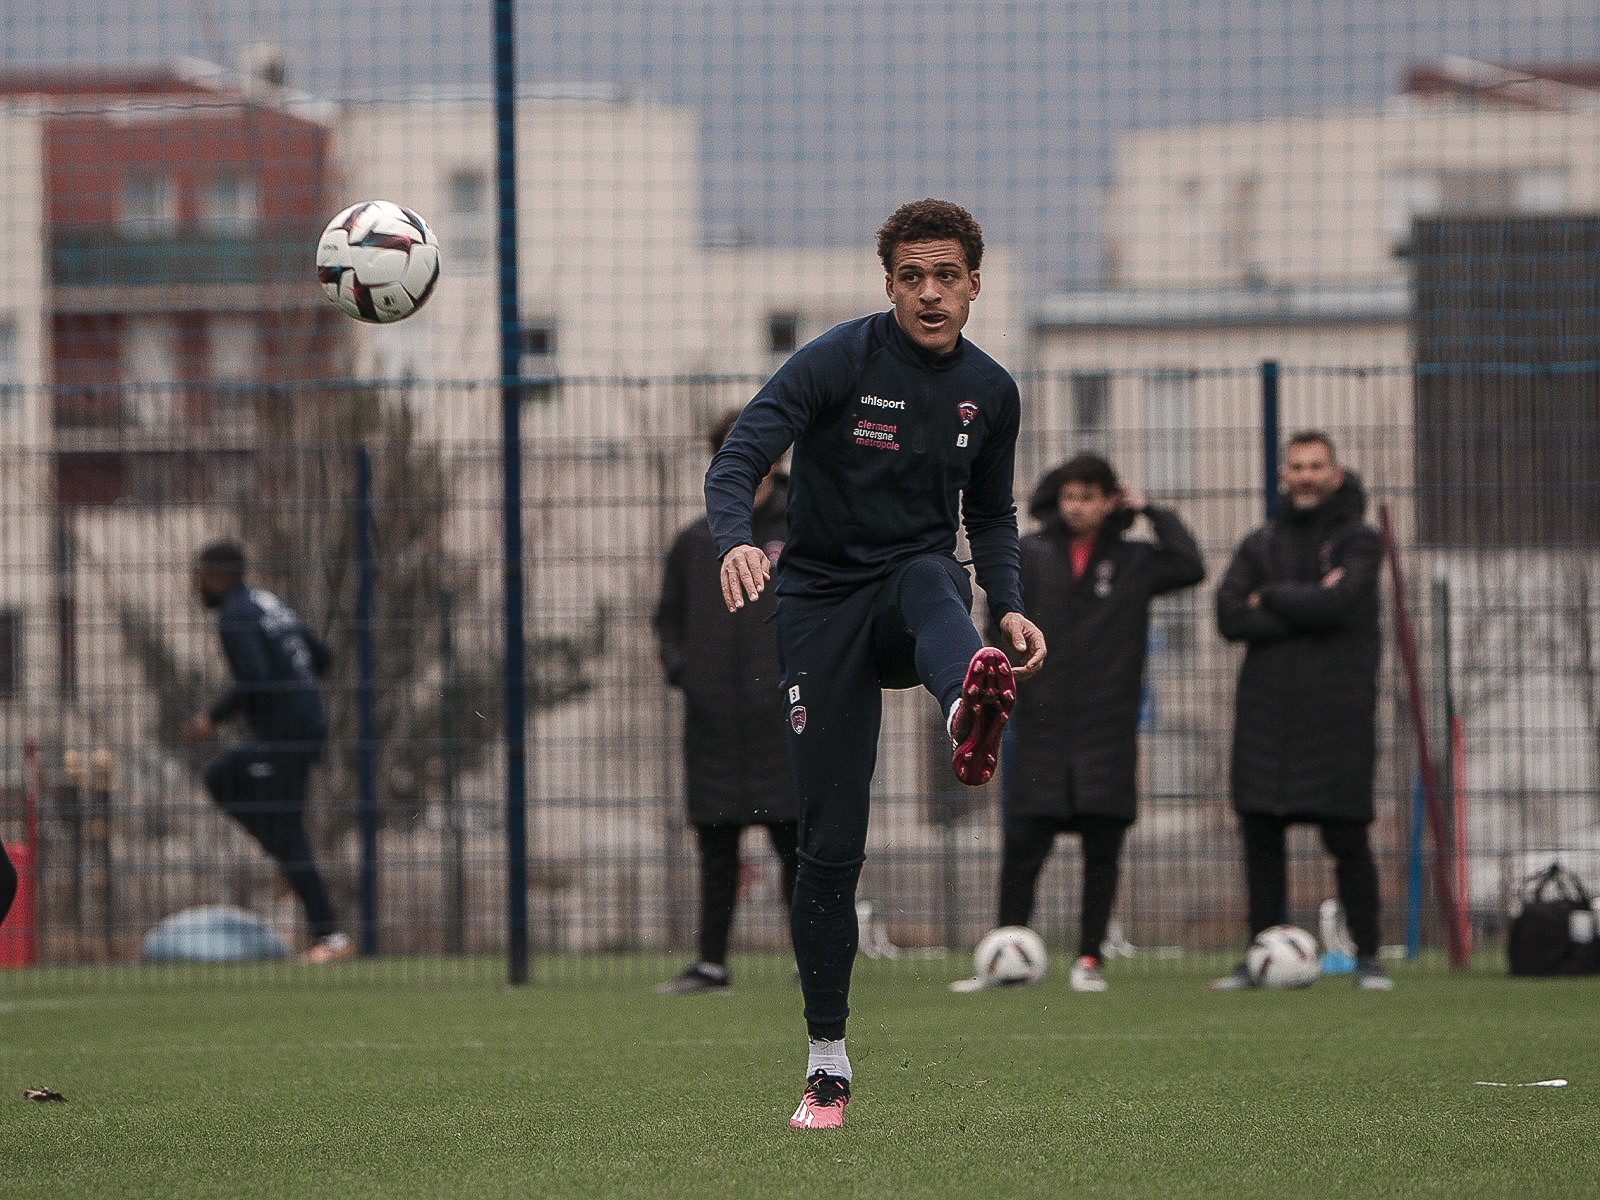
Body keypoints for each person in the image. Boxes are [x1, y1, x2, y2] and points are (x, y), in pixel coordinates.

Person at [706, 198, 1047, 1129]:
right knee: (830, 844)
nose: (929, 293)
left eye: (946, 276)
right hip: (820, 611)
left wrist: (1011, 603)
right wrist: (736, 540)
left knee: (937, 573)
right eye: (911, 277)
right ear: (888, 284)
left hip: (912, 600)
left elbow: (994, 517)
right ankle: (828, 1064)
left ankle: (963, 703)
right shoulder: (836, 362)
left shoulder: (993, 392)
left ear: (975, 283)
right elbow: (737, 460)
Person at [966, 453, 1203, 995]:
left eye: (1091, 497)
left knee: (1103, 849)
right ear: (1057, 498)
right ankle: (1005, 960)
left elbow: (1190, 564)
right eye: (1071, 496)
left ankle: (1090, 958)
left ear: (1109, 502)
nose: (1079, 506)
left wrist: (1150, 510)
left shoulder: (1136, 559)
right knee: (1022, 848)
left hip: (1108, 727)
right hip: (1039, 724)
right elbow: (996, 619)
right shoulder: (1030, 553)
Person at [1211, 432, 1394, 992]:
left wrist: (1272, 597)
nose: (1306, 475)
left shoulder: (1360, 541)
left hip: (1338, 717)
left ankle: (1368, 957)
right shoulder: (1259, 543)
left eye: (1317, 466)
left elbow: (1342, 603)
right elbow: (1229, 616)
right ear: (1283, 476)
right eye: (1297, 467)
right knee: (1262, 839)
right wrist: (1308, 598)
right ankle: (1263, 956)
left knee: (1348, 839)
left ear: (1336, 474)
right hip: (1266, 719)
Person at [652, 408, 800, 996]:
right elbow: (666, 622)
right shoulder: (696, 540)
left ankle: (811, 961)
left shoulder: (804, 525)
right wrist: (687, 673)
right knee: (717, 849)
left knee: (798, 848)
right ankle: (710, 965)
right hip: (713, 723)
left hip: (786, 719)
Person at [181, 540, 353, 964]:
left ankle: (330, 936)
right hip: (307, 723)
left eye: (201, 576)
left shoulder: (234, 615)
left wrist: (212, 718)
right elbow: (323, 657)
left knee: (223, 781)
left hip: (284, 732)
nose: (197, 585)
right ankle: (321, 922)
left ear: (218, 577)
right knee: (285, 827)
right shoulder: (266, 603)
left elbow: (256, 676)